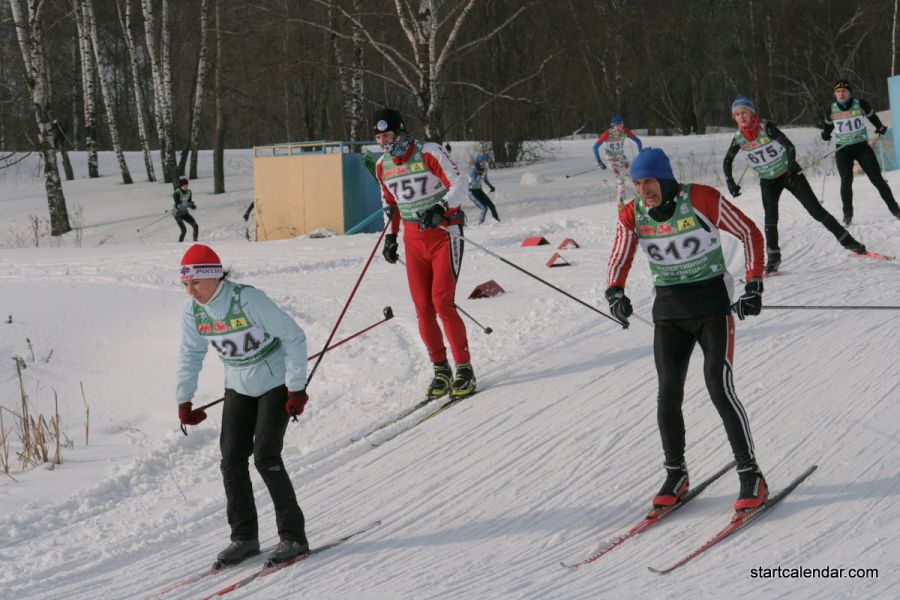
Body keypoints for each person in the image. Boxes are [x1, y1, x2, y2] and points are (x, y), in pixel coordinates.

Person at [605, 147, 769, 513]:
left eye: (649, 181)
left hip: (712, 307)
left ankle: (751, 474)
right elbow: (619, 254)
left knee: (718, 386)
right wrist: (614, 290)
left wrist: (754, 284)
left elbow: (749, 233)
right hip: (669, 311)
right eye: (637, 182)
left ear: (664, 179)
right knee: (667, 393)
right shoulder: (633, 213)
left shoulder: (700, 198)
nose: (643, 189)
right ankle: (676, 473)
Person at [175, 244, 311, 567]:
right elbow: (190, 355)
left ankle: (293, 537)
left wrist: (296, 389)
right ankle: (245, 537)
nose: (190, 291)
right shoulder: (194, 313)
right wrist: (184, 399)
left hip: (275, 382)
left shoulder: (248, 299)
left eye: (195, 282)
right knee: (231, 459)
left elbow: (293, 337)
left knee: (266, 456)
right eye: (185, 284)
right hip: (237, 385)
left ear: (213, 277)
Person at [372, 107, 476, 400]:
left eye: (388, 134)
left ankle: (464, 369)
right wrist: (390, 237)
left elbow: (459, 184)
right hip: (414, 241)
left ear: (401, 131)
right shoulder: (382, 166)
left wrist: (441, 208)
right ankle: (441, 369)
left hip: (444, 235)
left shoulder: (428, 151)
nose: (385, 142)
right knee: (423, 309)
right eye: (379, 137)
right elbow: (389, 204)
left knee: (442, 302)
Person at [723, 96, 866, 274]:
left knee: (816, 211)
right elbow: (727, 161)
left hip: (790, 175)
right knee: (770, 219)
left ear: (752, 113)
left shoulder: (766, 127)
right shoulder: (738, 138)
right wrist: (730, 182)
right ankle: (774, 258)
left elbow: (789, 146)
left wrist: (791, 166)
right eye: (737, 114)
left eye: (744, 112)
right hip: (768, 180)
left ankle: (848, 241)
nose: (741, 116)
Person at [821, 80, 900, 226]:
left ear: (850, 93)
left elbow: (873, 118)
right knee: (846, 181)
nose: (841, 94)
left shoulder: (861, 104)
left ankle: (895, 209)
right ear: (834, 94)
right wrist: (826, 134)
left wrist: (880, 127)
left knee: (877, 179)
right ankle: (848, 214)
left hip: (862, 147)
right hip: (843, 150)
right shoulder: (831, 109)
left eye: (844, 91)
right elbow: (828, 126)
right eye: (838, 92)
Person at [593, 115, 644, 209]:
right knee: (620, 180)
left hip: (621, 158)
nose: (620, 127)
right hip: (611, 160)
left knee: (634, 176)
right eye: (618, 125)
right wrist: (599, 161)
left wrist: (641, 154)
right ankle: (620, 204)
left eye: (622, 125)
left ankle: (642, 198)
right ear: (613, 126)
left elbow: (638, 141)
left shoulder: (625, 132)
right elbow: (595, 147)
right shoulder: (607, 133)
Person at [468, 153, 501, 224]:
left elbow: (485, 179)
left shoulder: (484, 169)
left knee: (492, 206)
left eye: (485, 162)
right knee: (484, 208)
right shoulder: (473, 169)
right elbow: (474, 180)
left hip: (479, 190)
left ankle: (497, 221)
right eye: (482, 162)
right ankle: (480, 225)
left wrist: (490, 186)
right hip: (472, 192)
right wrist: (479, 174)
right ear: (478, 162)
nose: (484, 164)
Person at [172, 177, 199, 242]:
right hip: (177, 214)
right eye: (184, 185)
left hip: (184, 213)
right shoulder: (177, 193)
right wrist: (185, 205)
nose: (186, 186)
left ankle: (195, 241)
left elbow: (189, 201)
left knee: (195, 226)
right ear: (181, 186)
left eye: (187, 185)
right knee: (184, 231)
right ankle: (179, 244)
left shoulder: (189, 192)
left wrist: (192, 206)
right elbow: (177, 204)